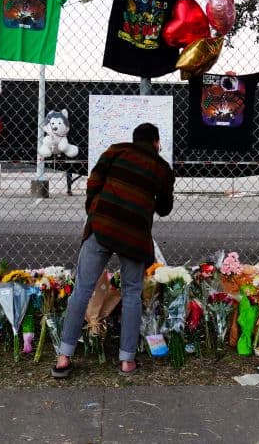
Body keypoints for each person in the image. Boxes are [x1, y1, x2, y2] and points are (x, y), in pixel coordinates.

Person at [52, 122, 175, 378]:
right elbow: (164, 208)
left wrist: (95, 210)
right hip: (134, 236)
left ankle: (64, 356)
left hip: (102, 227)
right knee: (131, 294)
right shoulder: (162, 168)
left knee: (82, 291)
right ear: (156, 142)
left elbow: (93, 181)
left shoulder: (115, 151)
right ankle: (126, 361)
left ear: (134, 139)